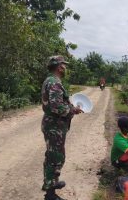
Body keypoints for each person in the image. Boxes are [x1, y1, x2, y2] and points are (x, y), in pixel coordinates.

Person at [41, 55, 83, 200]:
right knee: (56, 157)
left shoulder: (51, 80)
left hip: (54, 124)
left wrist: (70, 106)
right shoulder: (54, 83)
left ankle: (51, 183)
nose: (65, 67)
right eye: (64, 65)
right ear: (59, 67)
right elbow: (56, 106)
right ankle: (50, 194)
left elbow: (58, 102)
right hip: (54, 125)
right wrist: (73, 110)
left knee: (53, 155)